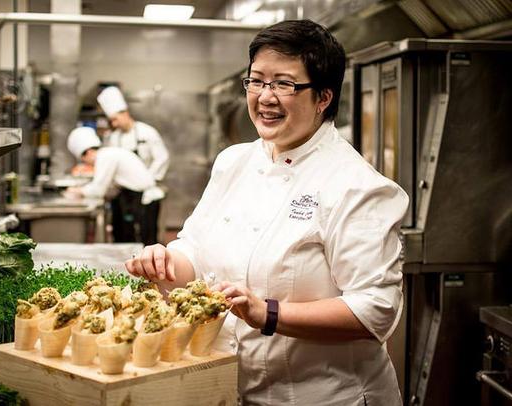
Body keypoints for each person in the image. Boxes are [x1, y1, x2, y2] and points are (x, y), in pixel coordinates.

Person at [125, 19, 409, 405]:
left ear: (323, 97)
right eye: (256, 81)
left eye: (284, 84)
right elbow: (195, 249)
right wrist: (165, 261)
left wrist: (269, 313)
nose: (265, 97)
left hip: (322, 397)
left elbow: (376, 310)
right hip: (232, 387)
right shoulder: (233, 162)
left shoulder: (356, 186)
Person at [65, 126, 164, 245]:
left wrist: (77, 190)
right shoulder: (110, 153)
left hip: (143, 200)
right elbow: (111, 187)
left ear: (88, 152)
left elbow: (98, 189)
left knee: (145, 244)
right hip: (139, 198)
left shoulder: (105, 157)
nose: (87, 163)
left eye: (84, 159)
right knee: (141, 242)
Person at [97, 86, 170, 245]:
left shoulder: (147, 132)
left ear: (125, 113)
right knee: (123, 233)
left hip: (146, 193)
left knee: (147, 233)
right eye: (112, 121)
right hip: (123, 193)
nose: (114, 124)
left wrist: (147, 180)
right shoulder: (113, 138)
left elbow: (162, 158)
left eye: (115, 119)